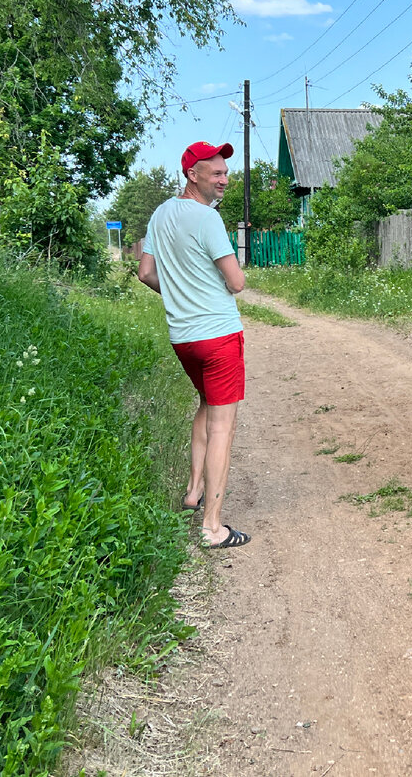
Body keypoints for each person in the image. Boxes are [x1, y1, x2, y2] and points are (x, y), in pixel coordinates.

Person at [138, 141, 251, 549]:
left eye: (225, 173)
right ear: (193, 175)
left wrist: (179, 294)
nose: (224, 180)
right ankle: (213, 527)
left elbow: (146, 272)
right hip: (218, 336)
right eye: (216, 173)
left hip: (182, 337)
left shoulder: (160, 213)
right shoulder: (206, 219)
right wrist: (209, 290)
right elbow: (236, 282)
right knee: (224, 424)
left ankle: (192, 492)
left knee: (205, 408)